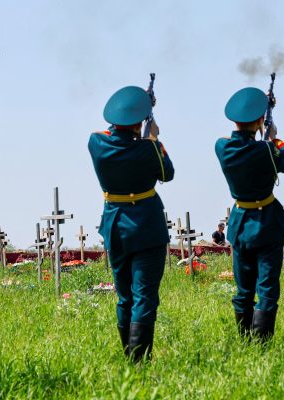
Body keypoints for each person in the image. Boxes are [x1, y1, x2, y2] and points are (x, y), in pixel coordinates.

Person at [88, 86, 174, 362]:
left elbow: (114, 136)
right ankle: (140, 363)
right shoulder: (149, 149)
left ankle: (129, 357)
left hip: (116, 227)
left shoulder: (96, 143)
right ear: (139, 122)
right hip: (147, 227)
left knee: (125, 297)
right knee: (144, 296)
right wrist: (153, 137)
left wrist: (140, 119)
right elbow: (167, 173)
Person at [215, 87, 284, 340]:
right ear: (259, 121)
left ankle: (244, 340)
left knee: (243, 289)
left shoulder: (222, 147)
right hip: (266, 224)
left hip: (241, 223)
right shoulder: (267, 150)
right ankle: (261, 345)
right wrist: (274, 137)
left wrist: (262, 120)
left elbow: (237, 142)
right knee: (267, 289)